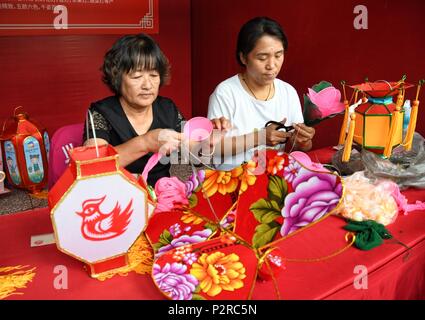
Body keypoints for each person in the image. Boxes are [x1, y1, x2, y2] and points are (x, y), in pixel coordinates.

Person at [84, 34, 227, 186]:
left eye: (153, 75)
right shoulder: (99, 113)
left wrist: (207, 141)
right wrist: (145, 142)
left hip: (167, 195)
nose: (147, 85)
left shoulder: (167, 108)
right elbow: (93, 166)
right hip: (122, 199)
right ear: (117, 77)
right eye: (137, 76)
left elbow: (190, 147)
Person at [207, 16, 315, 168]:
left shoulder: (288, 92)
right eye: (262, 58)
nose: (272, 65)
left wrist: (304, 142)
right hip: (232, 179)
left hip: (274, 176)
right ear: (243, 57)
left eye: (278, 55)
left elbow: (297, 148)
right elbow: (213, 148)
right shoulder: (226, 93)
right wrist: (260, 137)